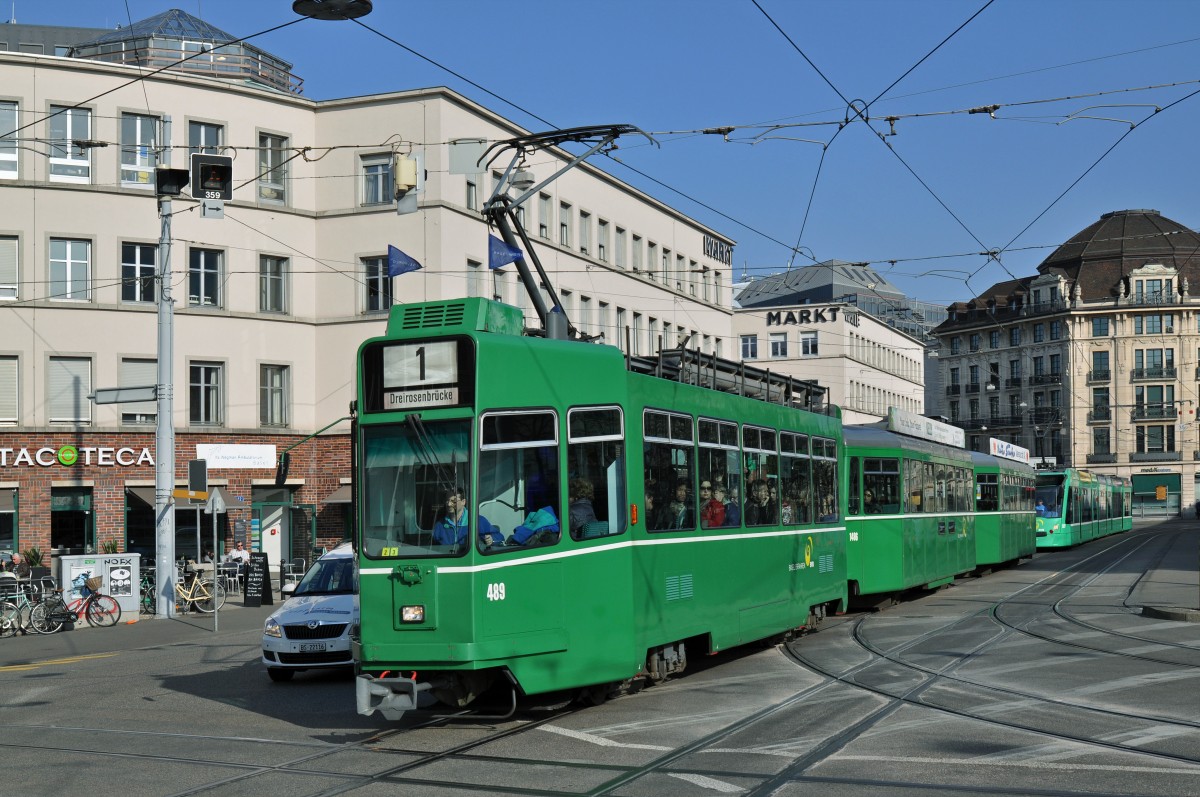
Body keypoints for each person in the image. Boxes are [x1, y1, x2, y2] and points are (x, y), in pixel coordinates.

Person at [434, 488, 502, 548]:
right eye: (447, 501)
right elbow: (432, 547)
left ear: (463, 502)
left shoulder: (477, 521)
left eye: (453, 501)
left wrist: (491, 540)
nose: (448, 504)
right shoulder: (440, 525)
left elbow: (500, 537)